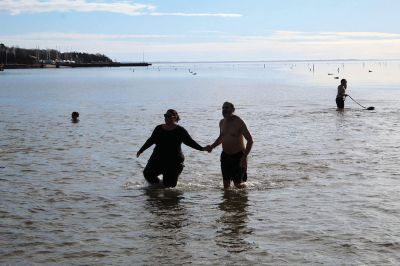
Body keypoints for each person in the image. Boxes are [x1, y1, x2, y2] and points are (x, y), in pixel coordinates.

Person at [137, 109, 208, 188]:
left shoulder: (180, 130)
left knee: (169, 187)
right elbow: (151, 140)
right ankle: (157, 187)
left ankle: (164, 190)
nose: (166, 118)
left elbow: (190, 142)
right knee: (147, 173)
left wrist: (202, 148)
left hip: (174, 162)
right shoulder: (158, 128)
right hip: (157, 159)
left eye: (169, 116)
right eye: (165, 116)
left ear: (175, 118)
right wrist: (141, 150)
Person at [208, 102, 253, 189]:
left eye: (227, 108)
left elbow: (250, 140)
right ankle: (228, 202)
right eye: (223, 108)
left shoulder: (238, 122)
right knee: (226, 185)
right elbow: (221, 137)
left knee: (238, 185)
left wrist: (244, 157)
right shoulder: (221, 122)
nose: (224, 110)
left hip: (239, 156)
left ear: (233, 109)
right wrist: (212, 147)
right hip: (225, 156)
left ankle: (246, 192)